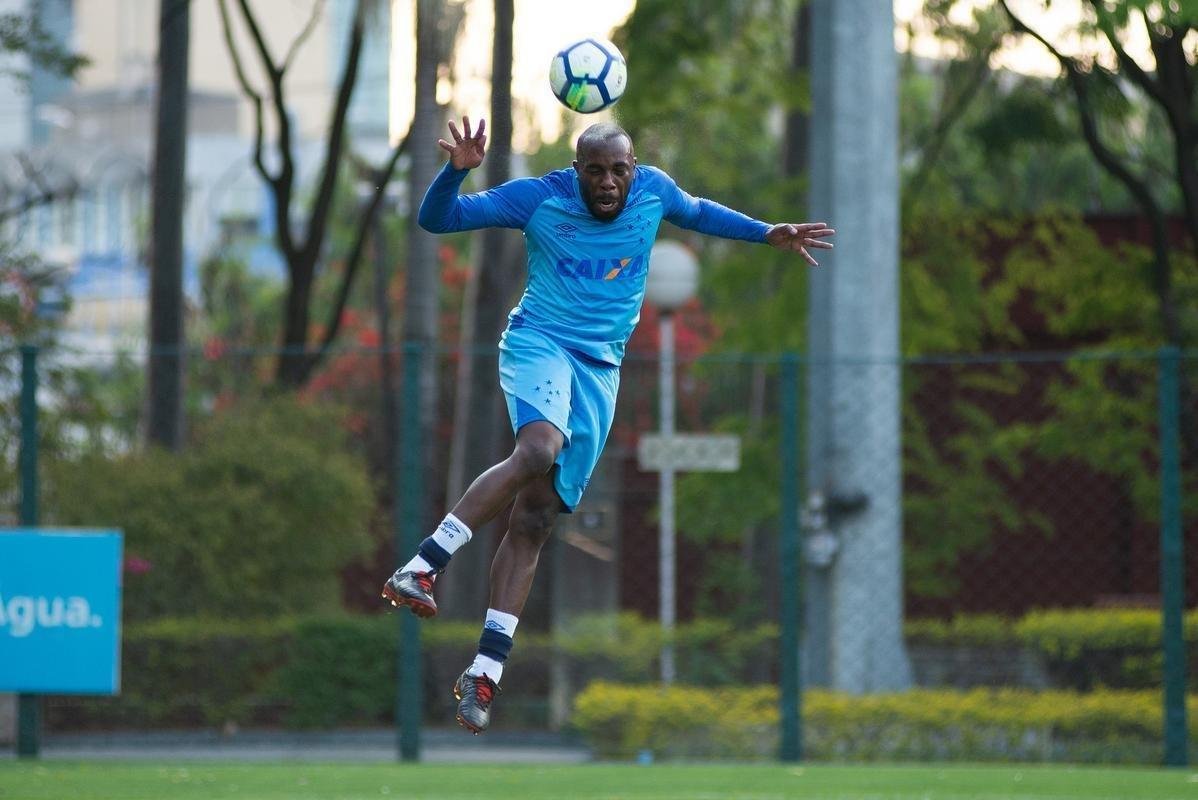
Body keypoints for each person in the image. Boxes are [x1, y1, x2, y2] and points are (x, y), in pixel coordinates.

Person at [383, 116, 834, 734]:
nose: (607, 182)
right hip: (539, 342)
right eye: (594, 170)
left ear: (632, 169)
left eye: (617, 170)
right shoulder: (539, 198)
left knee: (536, 519)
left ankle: (485, 671)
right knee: (538, 449)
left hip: (600, 371)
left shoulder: (655, 192)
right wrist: (456, 171)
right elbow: (439, 220)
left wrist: (767, 233)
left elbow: (699, 213)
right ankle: (425, 564)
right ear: (577, 170)